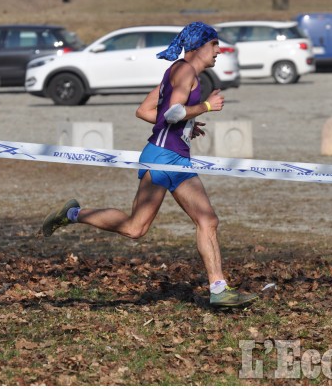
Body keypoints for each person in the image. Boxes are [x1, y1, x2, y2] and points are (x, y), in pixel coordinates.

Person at [41, 22, 258, 308]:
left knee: (208, 220)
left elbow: (145, 111)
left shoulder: (178, 71)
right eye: (214, 45)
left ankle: (219, 289)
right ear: (198, 46)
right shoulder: (185, 71)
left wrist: (187, 127)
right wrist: (206, 106)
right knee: (135, 229)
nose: (219, 51)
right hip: (161, 157)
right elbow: (171, 113)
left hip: (177, 157)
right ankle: (72, 213)